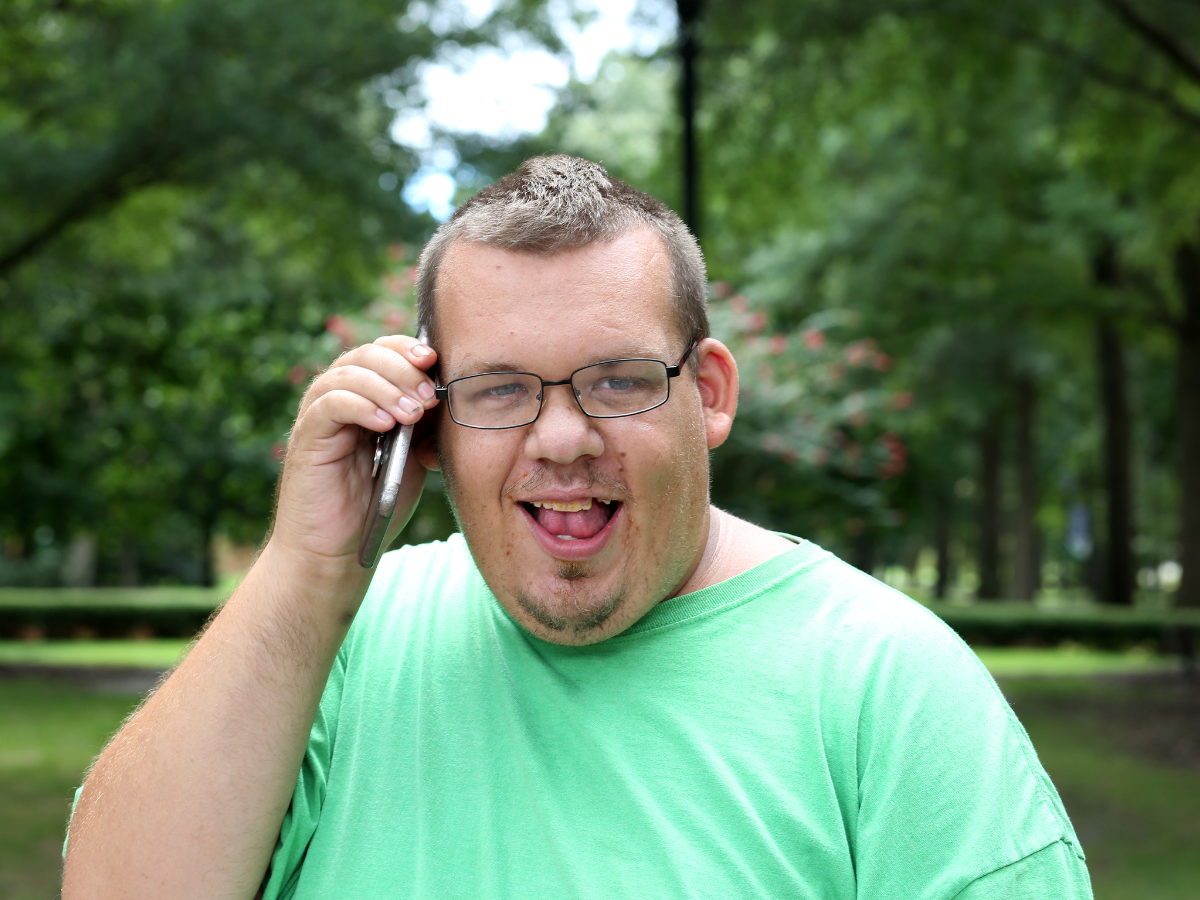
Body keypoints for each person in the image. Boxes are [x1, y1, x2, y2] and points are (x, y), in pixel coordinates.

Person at [62, 155, 1092, 899]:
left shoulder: (889, 686)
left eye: (616, 379)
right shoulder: (337, 641)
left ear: (712, 393)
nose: (561, 438)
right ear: (432, 418)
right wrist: (310, 567)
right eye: (499, 388)